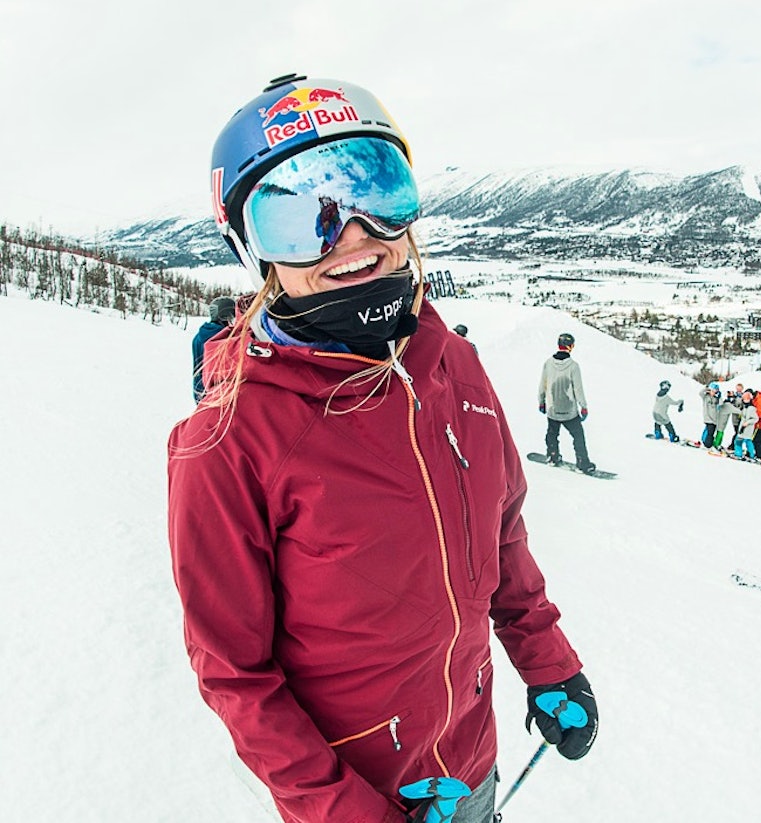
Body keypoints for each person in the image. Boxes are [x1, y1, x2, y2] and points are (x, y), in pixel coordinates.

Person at [169, 74, 596, 823]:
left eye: (378, 189)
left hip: (472, 760)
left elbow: (502, 534)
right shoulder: (227, 439)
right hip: (360, 797)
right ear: (251, 249)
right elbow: (236, 672)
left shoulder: (452, 365)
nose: (355, 235)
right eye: (302, 219)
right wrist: (346, 813)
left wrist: (548, 661)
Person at [539, 332, 595, 473]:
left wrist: (541, 402)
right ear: (570, 346)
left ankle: (553, 456)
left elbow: (542, 385)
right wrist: (584, 406)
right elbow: (578, 389)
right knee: (578, 436)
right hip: (569, 410)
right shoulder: (574, 366)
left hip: (552, 408)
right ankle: (583, 462)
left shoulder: (548, 363)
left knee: (552, 433)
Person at [191, 296, 236, 401]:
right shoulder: (222, 338)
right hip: (217, 394)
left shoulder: (200, 335)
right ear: (226, 315)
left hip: (200, 391)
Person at [735, 389, 760, 459]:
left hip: (748, 429)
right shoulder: (745, 408)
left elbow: (756, 418)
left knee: (743, 441)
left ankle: (747, 454)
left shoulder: (751, 409)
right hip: (742, 428)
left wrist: (747, 423)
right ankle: (742, 453)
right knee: (742, 441)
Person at [700, 382, 722, 448]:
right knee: (710, 432)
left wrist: (719, 397)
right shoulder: (706, 397)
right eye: (712, 391)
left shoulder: (717, 399)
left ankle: (704, 441)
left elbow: (721, 404)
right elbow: (700, 393)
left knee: (709, 430)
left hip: (715, 419)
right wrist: (706, 388)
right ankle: (708, 444)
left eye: (715, 391)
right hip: (708, 417)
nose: (713, 392)